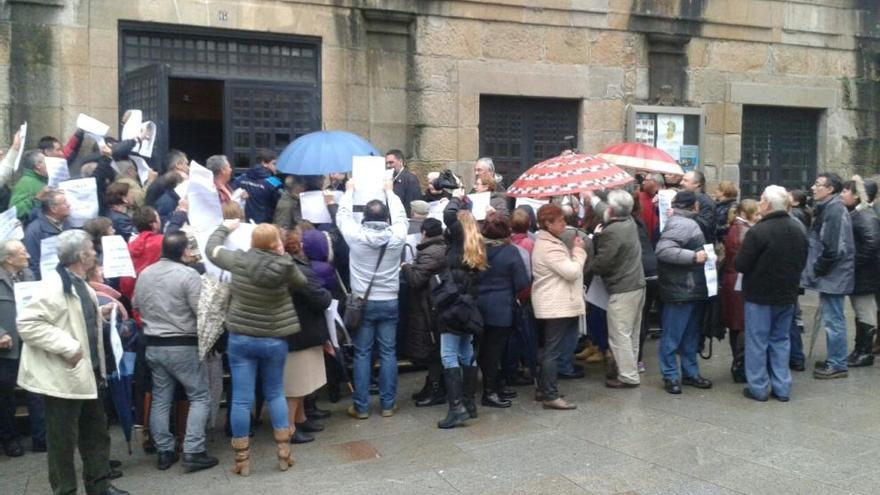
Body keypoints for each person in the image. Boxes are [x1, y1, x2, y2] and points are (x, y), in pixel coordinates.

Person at [16, 230, 128, 495]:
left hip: (87, 373)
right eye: (92, 249)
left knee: (96, 433)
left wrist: (99, 312)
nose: (95, 254)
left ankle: (99, 486)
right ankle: (65, 491)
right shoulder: (53, 286)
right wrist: (68, 346)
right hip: (62, 378)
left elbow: (73, 317)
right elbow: (27, 324)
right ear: (81, 256)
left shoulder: (80, 283)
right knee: (62, 442)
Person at [206, 221, 305, 476]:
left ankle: (242, 459)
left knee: (240, 398)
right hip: (274, 339)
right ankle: (284, 452)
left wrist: (223, 228)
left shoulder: (238, 260)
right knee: (275, 393)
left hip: (242, 338)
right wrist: (283, 256)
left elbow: (211, 249)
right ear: (275, 242)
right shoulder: (285, 266)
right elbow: (302, 282)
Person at [134, 232, 218, 473]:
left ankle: (164, 450)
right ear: (184, 252)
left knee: (161, 396)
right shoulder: (188, 275)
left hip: (153, 344)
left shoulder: (145, 273)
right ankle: (193, 450)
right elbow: (200, 310)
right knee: (200, 396)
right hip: (183, 344)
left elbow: (137, 304)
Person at [335, 181, 408, 419]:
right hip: (389, 300)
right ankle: (387, 405)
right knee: (388, 353)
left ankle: (361, 406)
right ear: (385, 216)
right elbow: (401, 215)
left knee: (362, 353)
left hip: (363, 303)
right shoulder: (397, 235)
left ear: (364, 216)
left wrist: (348, 192)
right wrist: (389, 191)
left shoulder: (356, 235)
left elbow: (343, 216)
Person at [736, 186, 808, 402]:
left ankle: (758, 387)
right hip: (786, 294)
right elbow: (803, 261)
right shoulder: (798, 229)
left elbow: (741, 263)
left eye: (761, 200)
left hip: (759, 295)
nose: (758, 203)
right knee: (780, 340)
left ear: (767, 204)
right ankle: (782, 386)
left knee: (757, 341)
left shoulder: (759, 231)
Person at [655, 190, 711, 394]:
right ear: (694, 206)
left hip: (688, 287)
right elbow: (663, 250)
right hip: (682, 288)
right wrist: (693, 257)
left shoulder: (682, 221)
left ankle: (689, 373)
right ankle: (671, 375)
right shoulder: (682, 223)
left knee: (688, 335)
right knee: (675, 335)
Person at [436, 198, 486, 428]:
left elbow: (449, 215)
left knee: (448, 355)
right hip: (469, 308)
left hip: (453, 307)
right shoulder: (476, 247)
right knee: (466, 352)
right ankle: (469, 403)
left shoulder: (456, 244)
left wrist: (455, 198)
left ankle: (456, 408)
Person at [532, 203, 586, 410]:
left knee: (550, 349)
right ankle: (550, 394)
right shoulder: (549, 247)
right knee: (552, 351)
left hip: (557, 302)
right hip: (555, 304)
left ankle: (545, 388)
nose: (564, 223)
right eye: (560, 220)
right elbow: (572, 271)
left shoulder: (550, 241)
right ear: (547, 223)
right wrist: (579, 252)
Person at [591, 190, 646, 388]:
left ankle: (628, 376)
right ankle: (630, 370)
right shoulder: (629, 220)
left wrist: (595, 239)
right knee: (631, 332)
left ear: (613, 210)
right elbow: (607, 210)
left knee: (619, 335)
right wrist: (591, 198)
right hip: (637, 284)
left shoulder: (612, 231)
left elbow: (601, 264)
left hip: (623, 288)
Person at [804, 173, 855, 379]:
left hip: (834, 275)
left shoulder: (834, 210)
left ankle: (838, 364)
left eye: (818, 184)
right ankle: (836, 359)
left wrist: (817, 270)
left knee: (834, 320)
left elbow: (833, 249)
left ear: (830, 189)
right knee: (832, 318)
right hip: (833, 275)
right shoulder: (830, 208)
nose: (813, 188)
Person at [282, 227, 330, 445]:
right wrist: (327, 295)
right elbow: (319, 298)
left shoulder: (289, 267)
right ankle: (291, 427)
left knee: (302, 382)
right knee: (296, 385)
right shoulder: (298, 270)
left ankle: (300, 418)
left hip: (297, 330)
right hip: (301, 332)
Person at [476, 212, 529, 406]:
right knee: (494, 351)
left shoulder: (477, 249)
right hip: (501, 309)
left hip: (478, 307)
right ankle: (490, 392)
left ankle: (494, 387)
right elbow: (523, 281)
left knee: (484, 350)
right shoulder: (511, 252)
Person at [0, 239, 44, 457]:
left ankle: (41, 437)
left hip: (30, 341)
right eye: (22, 252)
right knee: (5, 396)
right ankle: (10, 440)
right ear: (8, 259)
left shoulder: (29, 275)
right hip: (6, 348)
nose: (28, 256)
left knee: (36, 390)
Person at [401, 218, 447, 408]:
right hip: (434, 304)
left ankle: (436, 389)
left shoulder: (430, 252)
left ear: (424, 233)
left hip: (429, 307)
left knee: (433, 349)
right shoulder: (440, 247)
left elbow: (416, 279)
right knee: (435, 348)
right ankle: (432, 385)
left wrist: (406, 267)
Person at [840, 177, 880, 367]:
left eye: (846, 191)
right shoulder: (859, 214)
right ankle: (859, 350)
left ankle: (864, 353)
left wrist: (853, 264)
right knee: (861, 313)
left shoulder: (865, 216)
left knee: (865, 313)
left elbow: (871, 244)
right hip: (862, 274)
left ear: (857, 196)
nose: (842, 194)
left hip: (865, 275)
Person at [720, 199, 758, 383]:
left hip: (732, 280)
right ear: (746, 214)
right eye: (756, 213)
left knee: (737, 325)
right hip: (739, 281)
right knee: (741, 324)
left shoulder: (735, 227)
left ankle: (739, 362)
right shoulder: (744, 231)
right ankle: (740, 365)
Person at [632, 191, 659, 374]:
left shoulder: (628, 223)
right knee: (643, 318)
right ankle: (637, 358)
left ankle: (635, 359)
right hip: (652, 271)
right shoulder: (638, 220)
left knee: (637, 319)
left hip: (642, 273)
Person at [23, 190, 72, 280]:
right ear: (53, 209)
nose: (69, 205)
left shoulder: (66, 222)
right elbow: (34, 264)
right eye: (64, 203)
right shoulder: (34, 232)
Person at [234, 149, 282, 223]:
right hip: (264, 226)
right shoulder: (274, 183)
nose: (276, 167)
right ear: (264, 163)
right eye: (274, 164)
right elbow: (280, 206)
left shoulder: (241, 178)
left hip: (244, 222)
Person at [9, 150, 50, 222]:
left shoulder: (47, 178)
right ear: (38, 165)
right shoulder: (24, 183)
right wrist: (37, 198)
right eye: (47, 160)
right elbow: (14, 211)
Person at [680, 170, 716, 244]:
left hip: (699, 247)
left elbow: (705, 226)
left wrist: (687, 214)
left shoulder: (706, 202)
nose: (681, 183)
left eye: (685, 180)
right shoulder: (683, 198)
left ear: (696, 184)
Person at [386, 149, 421, 217]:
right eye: (387, 163)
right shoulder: (389, 177)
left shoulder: (411, 179)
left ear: (400, 161)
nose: (388, 166)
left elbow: (410, 204)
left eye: (391, 162)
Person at [638, 174, 662, 244]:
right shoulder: (637, 196)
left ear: (656, 183)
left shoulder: (662, 200)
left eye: (646, 180)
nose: (643, 182)